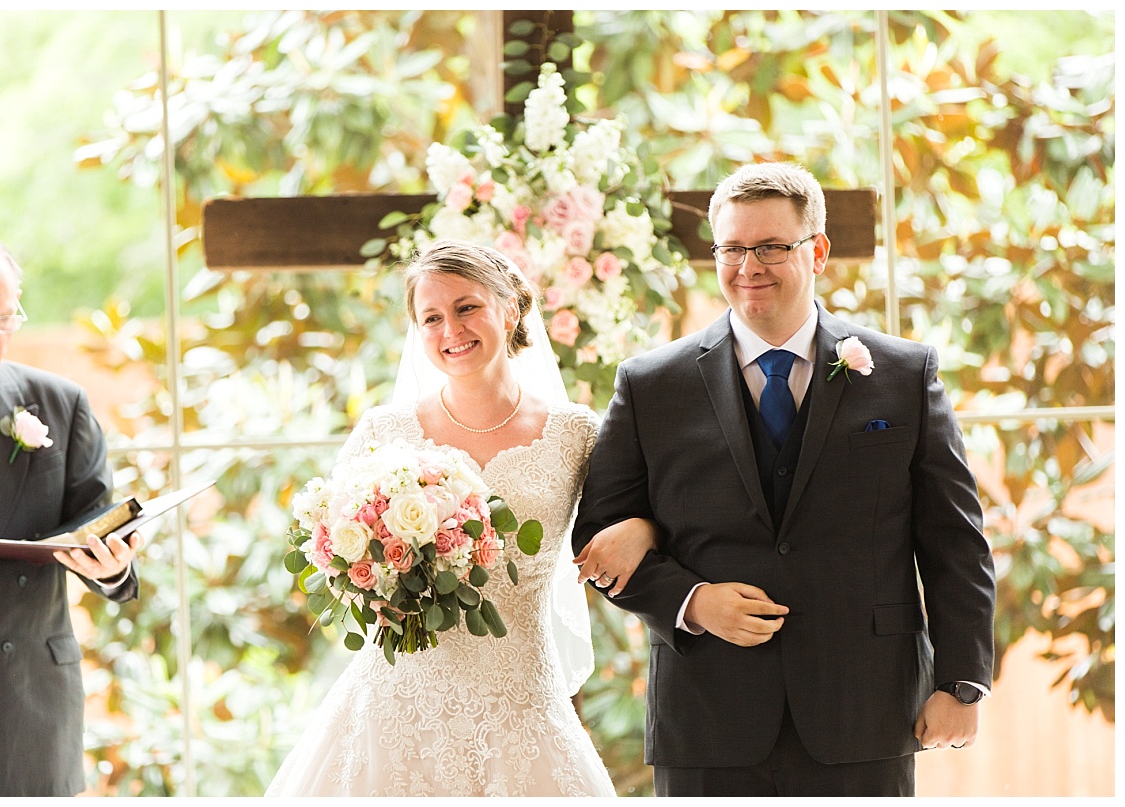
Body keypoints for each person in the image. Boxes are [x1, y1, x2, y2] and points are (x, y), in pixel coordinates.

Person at [571, 162, 996, 797]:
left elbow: (955, 539)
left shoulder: (903, 374)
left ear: (818, 251)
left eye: (772, 246)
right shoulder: (651, 384)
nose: (750, 266)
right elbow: (599, 541)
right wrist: (692, 603)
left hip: (865, 708)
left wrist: (961, 681)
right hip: (708, 714)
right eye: (733, 248)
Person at [266, 240, 654, 796]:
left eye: (467, 307)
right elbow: (329, 552)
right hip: (397, 704)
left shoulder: (575, 433)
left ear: (511, 309)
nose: (451, 329)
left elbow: (635, 513)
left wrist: (646, 527)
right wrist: (377, 572)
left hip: (522, 697)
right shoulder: (383, 432)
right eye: (431, 317)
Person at [0, 232, 142, 797]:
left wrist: (111, 565)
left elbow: (98, 518)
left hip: (27, 702)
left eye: (5, 320)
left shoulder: (61, 403)